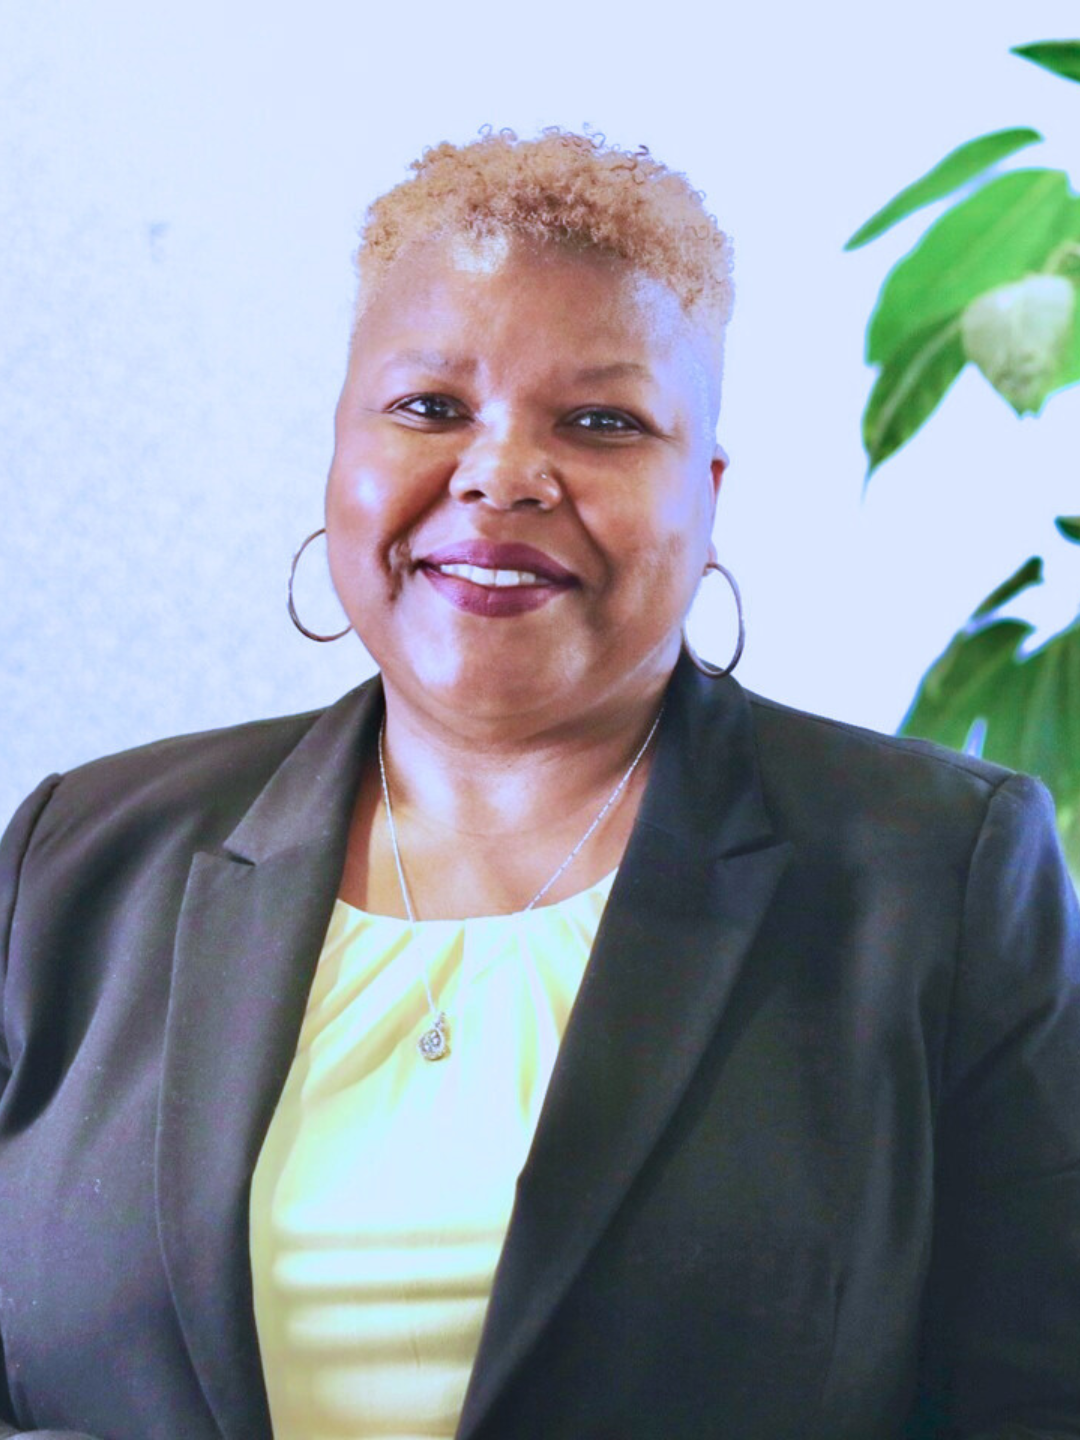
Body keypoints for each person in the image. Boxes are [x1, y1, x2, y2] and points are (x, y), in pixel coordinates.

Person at [0, 128, 1078, 1440]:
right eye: (429, 407)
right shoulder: (76, 861)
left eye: (602, 422)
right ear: (337, 454)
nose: (502, 474)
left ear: (709, 494)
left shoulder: (938, 873)